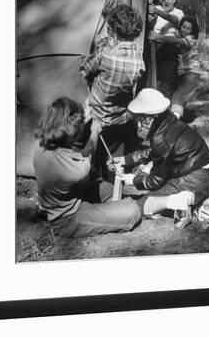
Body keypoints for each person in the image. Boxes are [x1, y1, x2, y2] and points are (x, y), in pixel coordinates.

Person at [33, 97, 142, 238]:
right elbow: (87, 157)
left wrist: (87, 113)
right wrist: (94, 132)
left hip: (75, 193)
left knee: (109, 190)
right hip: (68, 217)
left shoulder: (45, 140)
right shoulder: (70, 170)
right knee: (132, 211)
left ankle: (107, 210)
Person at [116, 88, 209, 229]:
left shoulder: (160, 138)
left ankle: (181, 202)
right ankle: (200, 200)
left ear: (148, 118)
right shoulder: (168, 121)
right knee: (160, 190)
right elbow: (156, 152)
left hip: (194, 177)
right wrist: (127, 159)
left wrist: (133, 180)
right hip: (204, 170)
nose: (138, 125)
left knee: (141, 205)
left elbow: (155, 181)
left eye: (139, 120)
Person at [80, 1, 145, 178]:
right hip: (120, 119)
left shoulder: (105, 55)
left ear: (114, 31)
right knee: (112, 164)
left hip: (97, 118)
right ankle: (114, 194)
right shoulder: (139, 61)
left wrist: (99, 49)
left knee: (91, 162)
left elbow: (85, 69)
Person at [148, 15, 201, 119]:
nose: (185, 30)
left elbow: (177, 41)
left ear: (193, 31)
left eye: (188, 28)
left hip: (191, 74)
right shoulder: (180, 38)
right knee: (175, 99)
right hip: (184, 75)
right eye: (183, 27)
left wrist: (158, 37)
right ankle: (171, 124)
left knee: (178, 100)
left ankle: (172, 126)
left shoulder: (190, 39)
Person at [148, 0, 184, 99]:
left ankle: (166, 109)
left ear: (174, 0)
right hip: (154, 47)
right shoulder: (156, 8)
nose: (166, 2)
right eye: (163, 0)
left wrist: (157, 12)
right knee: (152, 81)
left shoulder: (178, 13)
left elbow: (173, 19)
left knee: (167, 82)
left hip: (169, 48)